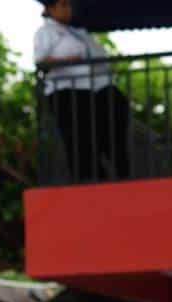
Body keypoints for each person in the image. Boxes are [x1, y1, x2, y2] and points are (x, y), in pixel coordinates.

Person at [35, 0, 131, 181]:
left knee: (108, 125)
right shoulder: (46, 33)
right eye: (62, 5)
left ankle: (117, 170)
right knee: (79, 140)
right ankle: (89, 178)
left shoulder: (79, 32)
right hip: (65, 91)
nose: (67, 10)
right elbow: (41, 62)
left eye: (68, 5)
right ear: (50, 9)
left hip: (91, 89)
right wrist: (67, 60)